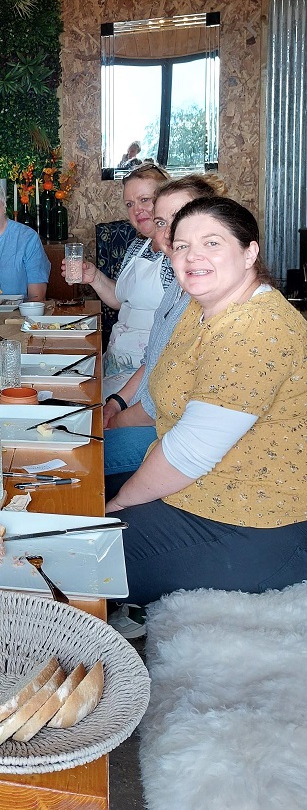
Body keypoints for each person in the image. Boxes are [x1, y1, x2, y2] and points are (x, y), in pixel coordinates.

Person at [106, 197, 307, 605]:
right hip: (197, 492)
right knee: (69, 499)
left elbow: (188, 453)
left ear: (249, 251)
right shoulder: (200, 309)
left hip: (251, 525)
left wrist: (118, 502)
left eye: (212, 243)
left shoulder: (256, 327)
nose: (192, 256)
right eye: (181, 246)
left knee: (71, 556)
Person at [102, 173, 228, 477]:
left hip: (175, 433)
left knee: (86, 456)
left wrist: (118, 418)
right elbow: (154, 360)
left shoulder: (205, 295)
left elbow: (166, 403)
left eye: (180, 217)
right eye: (162, 222)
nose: (171, 232)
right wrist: (116, 403)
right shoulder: (177, 288)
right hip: (140, 397)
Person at [68, 163, 172, 396]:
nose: (137, 210)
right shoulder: (138, 245)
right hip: (115, 362)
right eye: (130, 204)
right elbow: (121, 299)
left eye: (145, 199)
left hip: (146, 374)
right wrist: (93, 276)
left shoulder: (176, 252)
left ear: (167, 199)